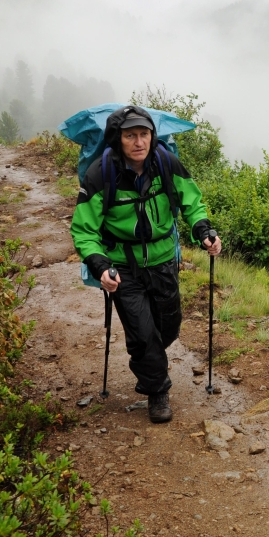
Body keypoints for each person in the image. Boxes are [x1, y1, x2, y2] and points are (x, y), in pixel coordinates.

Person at [70, 105, 221, 423]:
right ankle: (157, 391)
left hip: (164, 260)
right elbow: (84, 230)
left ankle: (145, 350)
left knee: (168, 328)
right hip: (122, 267)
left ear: (152, 136)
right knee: (143, 334)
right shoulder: (101, 173)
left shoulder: (166, 163)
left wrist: (203, 229)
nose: (139, 142)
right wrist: (99, 265)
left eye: (144, 134)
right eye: (130, 136)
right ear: (118, 139)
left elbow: (191, 202)